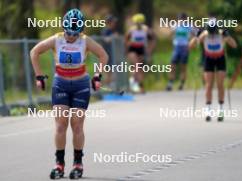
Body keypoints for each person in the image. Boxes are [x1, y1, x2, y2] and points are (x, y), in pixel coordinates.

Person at [30, 9, 108, 179]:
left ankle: (78, 163)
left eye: (75, 33)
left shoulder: (85, 41)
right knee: (60, 125)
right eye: (69, 33)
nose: (72, 37)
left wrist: (97, 75)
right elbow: (34, 52)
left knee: (77, 124)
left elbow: (103, 55)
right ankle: (59, 164)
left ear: (81, 30)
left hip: (81, 85)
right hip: (61, 85)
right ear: (63, 28)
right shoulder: (56, 40)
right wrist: (39, 75)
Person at [189, 19, 237, 121]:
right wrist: (197, 36)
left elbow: (234, 45)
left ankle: (221, 109)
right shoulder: (205, 34)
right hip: (209, 59)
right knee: (208, 84)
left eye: (213, 32)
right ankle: (208, 109)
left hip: (220, 58)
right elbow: (191, 46)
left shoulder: (220, 33)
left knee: (220, 84)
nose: (212, 34)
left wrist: (227, 36)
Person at [125, 13, 155, 93]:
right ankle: (134, 85)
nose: (138, 24)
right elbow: (126, 40)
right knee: (137, 66)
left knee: (139, 69)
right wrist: (126, 50)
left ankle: (138, 85)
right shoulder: (131, 30)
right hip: (133, 49)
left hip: (141, 49)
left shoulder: (146, 29)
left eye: (140, 22)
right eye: (136, 23)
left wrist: (149, 50)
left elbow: (152, 40)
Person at [166, 13, 194, 91]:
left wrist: (191, 44)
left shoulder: (189, 26)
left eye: (183, 19)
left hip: (185, 47)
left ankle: (182, 84)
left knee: (183, 67)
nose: (182, 20)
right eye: (180, 19)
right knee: (172, 66)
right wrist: (172, 39)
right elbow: (169, 34)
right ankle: (170, 83)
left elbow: (194, 35)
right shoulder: (176, 26)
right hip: (177, 47)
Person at [101, 14, 119, 86]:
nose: (115, 24)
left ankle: (110, 86)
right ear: (109, 22)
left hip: (111, 54)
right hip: (107, 54)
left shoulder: (112, 31)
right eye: (113, 22)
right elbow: (106, 40)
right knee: (108, 72)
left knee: (111, 72)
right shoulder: (106, 30)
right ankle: (106, 86)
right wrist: (113, 37)